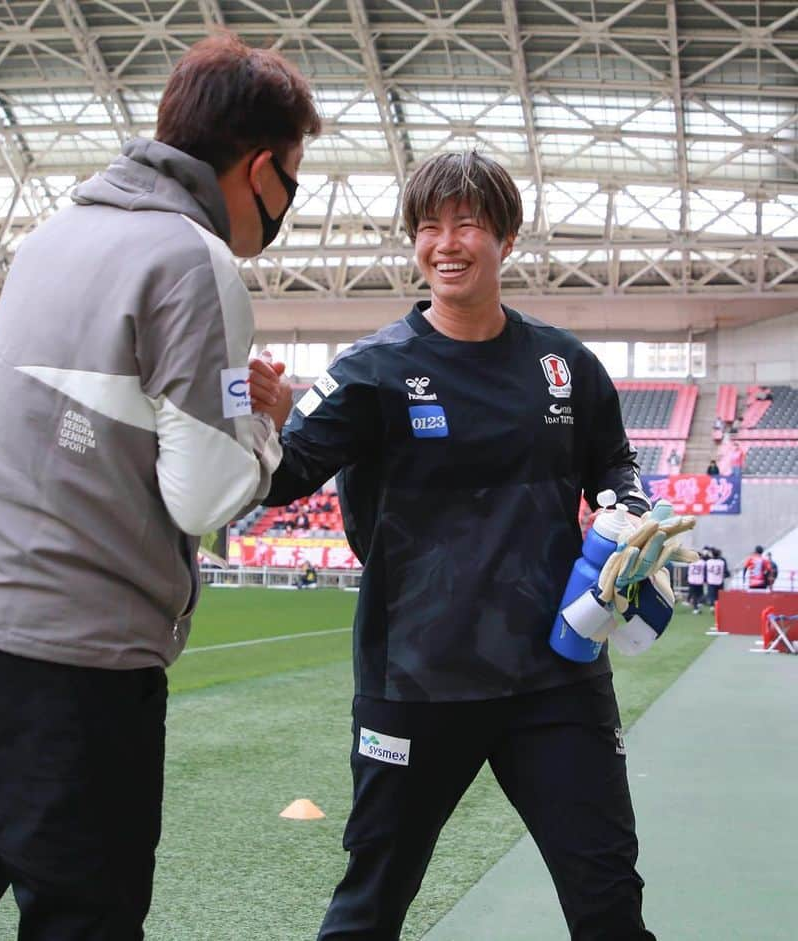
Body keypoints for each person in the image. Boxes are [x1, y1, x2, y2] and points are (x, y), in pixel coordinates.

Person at [0, 31, 320, 941]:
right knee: (86, 917)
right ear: (260, 167)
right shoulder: (195, 259)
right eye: (293, 177)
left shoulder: (53, 235)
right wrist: (268, 423)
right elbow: (206, 494)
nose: (288, 202)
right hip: (68, 664)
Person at [250, 150, 658, 940]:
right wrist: (264, 420)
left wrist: (626, 511)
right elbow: (282, 477)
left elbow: (613, 464)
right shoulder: (371, 371)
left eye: (467, 222)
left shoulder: (565, 367)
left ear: (504, 237)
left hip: (555, 678)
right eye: (428, 225)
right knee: (371, 904)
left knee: (608, 899)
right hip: (416, 678)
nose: (447, 242)